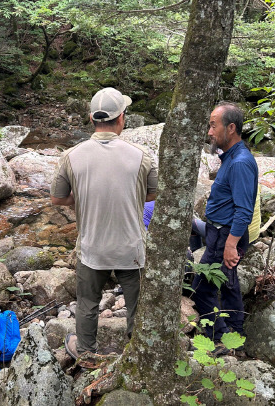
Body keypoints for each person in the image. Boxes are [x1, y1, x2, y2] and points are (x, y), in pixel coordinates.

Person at [50, 87, 158, 359]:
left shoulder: (71, 156)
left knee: (87, 302)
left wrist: (81, 197)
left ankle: (86, 354)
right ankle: (138, 356)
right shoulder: (142, 155)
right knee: (138, 305)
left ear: (91, 118)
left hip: (92, 247)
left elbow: (57, 198)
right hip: (131, 248)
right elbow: (153, 194)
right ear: (122, 117)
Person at [191, 102, 258, 352]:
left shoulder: (240, 162)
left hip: (226, 235)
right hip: (220, 233)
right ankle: (236, 338)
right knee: (228, 284)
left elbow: (244, 210)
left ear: (231, 128)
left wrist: (231, 245)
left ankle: (221, 338)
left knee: (201, 287)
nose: (209, 131)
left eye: (213, 125)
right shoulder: (231, 157)